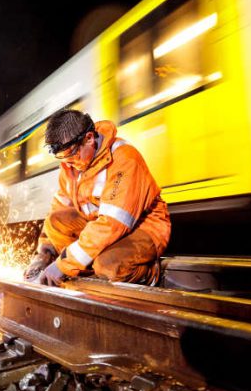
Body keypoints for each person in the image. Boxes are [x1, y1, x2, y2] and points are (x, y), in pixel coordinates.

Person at [24, 109, 171, 287]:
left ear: (89, 138)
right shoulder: (71, 165)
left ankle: (149, 274)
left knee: (109, 266)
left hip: (143, 227)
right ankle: (88, 270)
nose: (67, 163)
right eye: (61, 158)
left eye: (71, 154)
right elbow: (58, 209)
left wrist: (63, 265)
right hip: (99, 225)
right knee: (57, 220)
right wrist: (44, 254)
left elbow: (111, 225)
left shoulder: (124, 159)